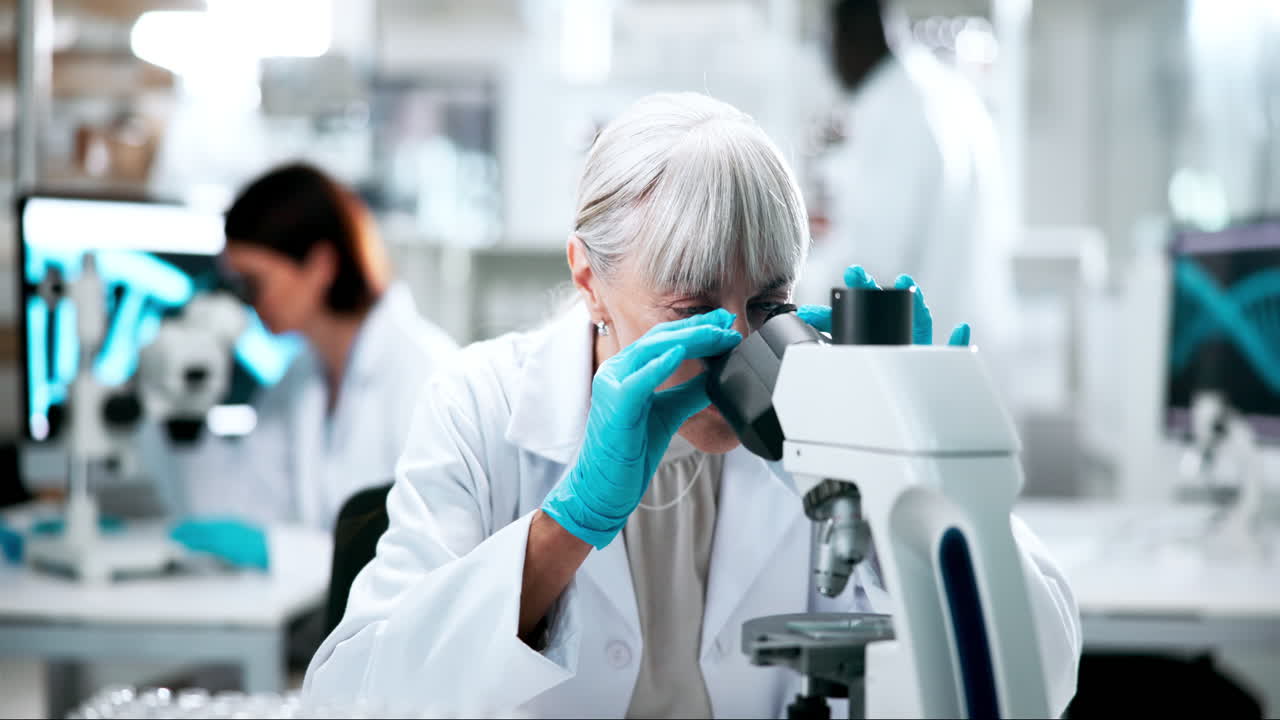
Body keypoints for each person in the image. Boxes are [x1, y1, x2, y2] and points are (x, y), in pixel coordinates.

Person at [304, 93, 1079, 717]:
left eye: (769, 303)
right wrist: (567, 525)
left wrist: (918, 459)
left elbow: (1035, 679)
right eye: (692, 311)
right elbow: (349, 702)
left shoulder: (828, 414)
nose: (741, 348)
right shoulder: (479, 405)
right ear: (588, 279)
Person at [167, 163, 458, 569]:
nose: (245, 301)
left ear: (319, 265)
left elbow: (429, 552)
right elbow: (242, 507)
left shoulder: (425, 374)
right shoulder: (300, 378)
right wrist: (184, 411)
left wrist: (281, 552)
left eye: (254, 281)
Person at [797, 0, 1015, 353]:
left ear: (847, 36)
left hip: (927, 359)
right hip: (973, 350)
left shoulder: (895, 109)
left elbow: (872, 265)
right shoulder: (945, 90)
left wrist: (788, 290)